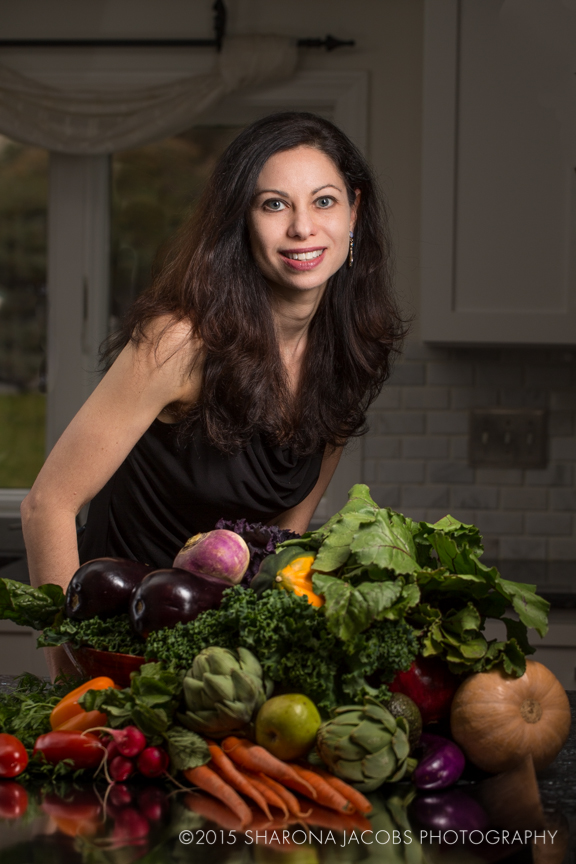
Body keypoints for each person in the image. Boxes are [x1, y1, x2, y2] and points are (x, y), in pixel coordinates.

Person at [21, 112, 406, 678]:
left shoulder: (349, 354)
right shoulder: (180, 341)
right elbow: (46, 505)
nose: (303, 227)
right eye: (274, 204)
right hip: (119, 643)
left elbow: (284, 538)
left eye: (323, 201)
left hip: (225, 659)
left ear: (355, 209)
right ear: (242, 220)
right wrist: (69, 674)